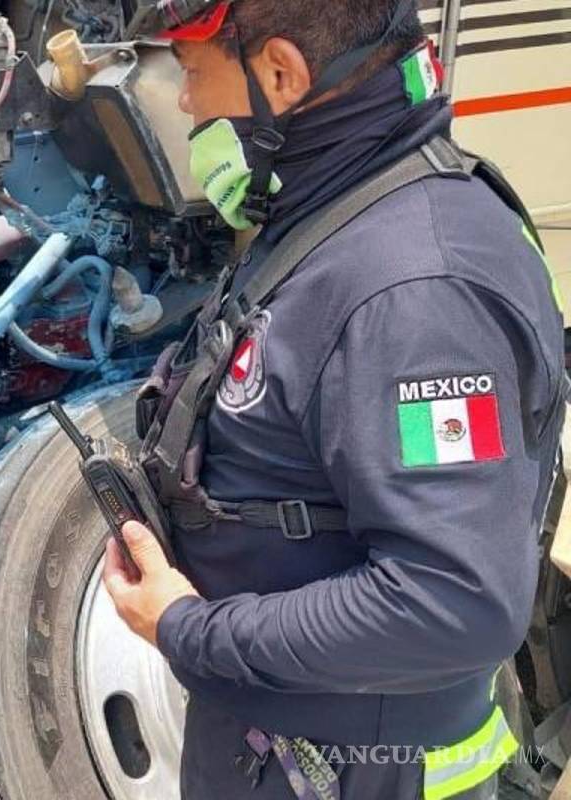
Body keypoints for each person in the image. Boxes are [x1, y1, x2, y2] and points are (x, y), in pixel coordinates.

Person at [102, 1, 567, 798]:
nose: (186, 104)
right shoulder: (333, 208)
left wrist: (188, 631)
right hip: (290, 752)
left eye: (193, 74)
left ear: (281, 72)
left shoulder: (418, 290)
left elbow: (454, 601)